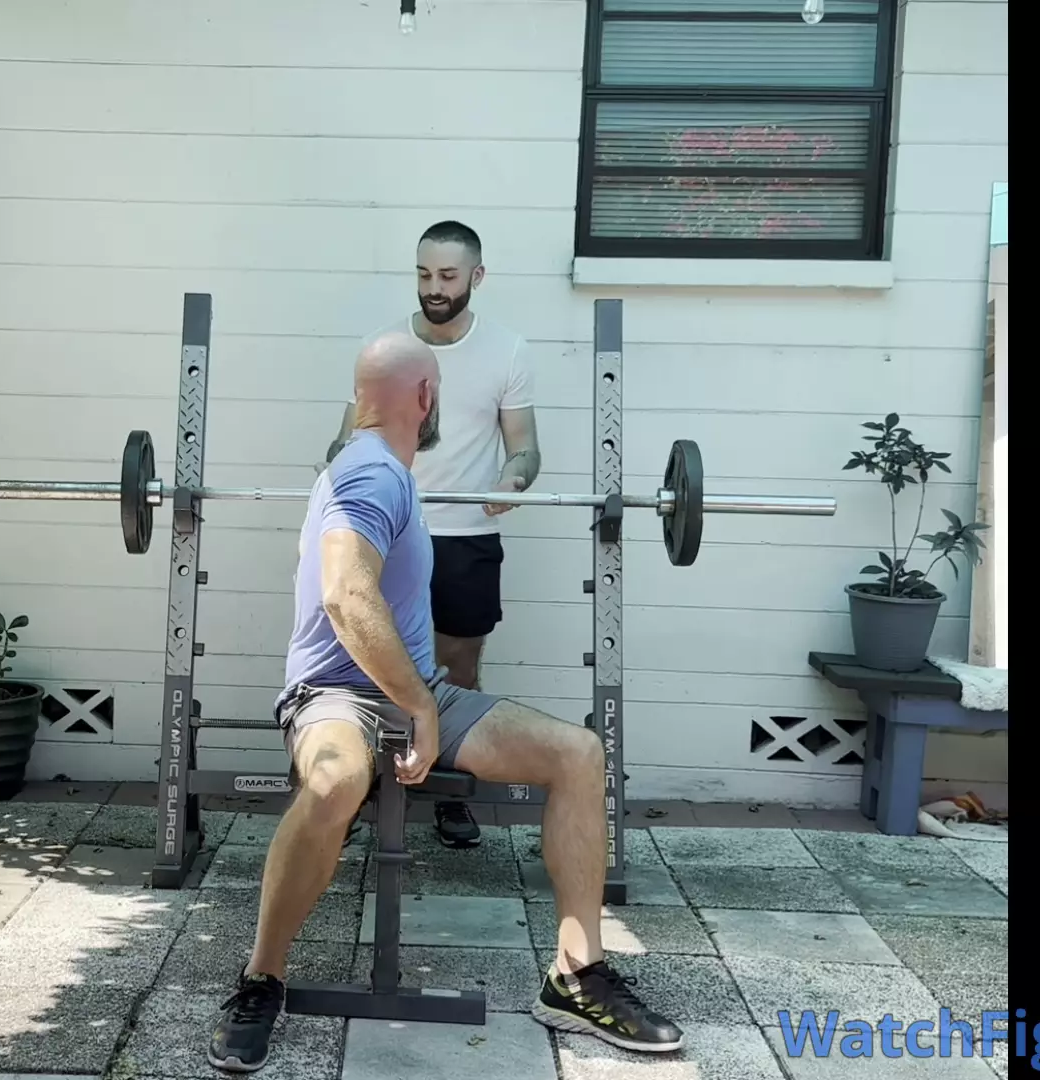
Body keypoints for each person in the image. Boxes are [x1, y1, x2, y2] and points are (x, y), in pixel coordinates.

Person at [208, 332, 682, 1074]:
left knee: (577, 753)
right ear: (427, 397)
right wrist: (421, 710)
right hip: (335, 692)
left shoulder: (386, 469)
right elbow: (345, 595)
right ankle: (261, 978)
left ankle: (576, 976)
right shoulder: (370, 473)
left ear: (361, 398)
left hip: (414, 687)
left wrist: (423, 700)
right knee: (334, 781)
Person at [324, 220, 539, 849]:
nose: (433, 287)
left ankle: (447, 790)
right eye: (424, 274)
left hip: (464, 532)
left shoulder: (508, 351)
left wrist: (512, 480)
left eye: (447, 275)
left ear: (477, 276)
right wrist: (338, 466)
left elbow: (525, 448)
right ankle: (357, 786)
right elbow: (348, 436)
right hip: (389, 529)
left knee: (458, 665)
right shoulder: (383, 348)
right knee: (367, 656)